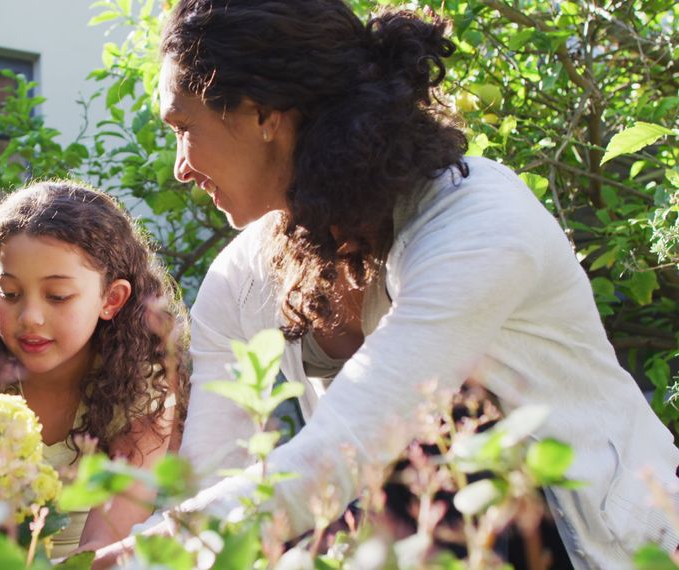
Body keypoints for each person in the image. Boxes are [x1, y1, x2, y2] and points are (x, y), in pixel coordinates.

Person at [103, 0, 678, 567]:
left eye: (184, 128)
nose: (180, 167)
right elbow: (215, 474)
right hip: (410, 545)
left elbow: (350, 446)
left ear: (263, 114)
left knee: (429, 441)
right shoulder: (242, 276)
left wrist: (152, 553)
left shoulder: (479, 220)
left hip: (604, 544)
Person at [0, 181, 187, 558]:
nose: (31, 318)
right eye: (9, 293)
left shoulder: (144, 383)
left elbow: (104, 546)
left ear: (112, 299)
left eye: (57, 296)